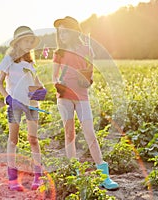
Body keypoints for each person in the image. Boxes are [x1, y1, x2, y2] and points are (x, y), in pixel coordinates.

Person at [52, 16, 119, 190]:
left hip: (82, 96)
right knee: (69, 134)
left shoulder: (86, 49)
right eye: (60, 33)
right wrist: (57, 84)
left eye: (65, 31)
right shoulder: (58, 53)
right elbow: (54, 76)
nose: (63, 35)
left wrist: (88, 81)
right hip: (64, 96)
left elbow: (89, 74)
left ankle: (104, 175)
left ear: (74, 31)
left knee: (90, 133)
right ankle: (75, 172)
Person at [0, 26, 47, 191]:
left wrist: (41, 91)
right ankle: (12, 179)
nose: (29, 43)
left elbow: (37, 84)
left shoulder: (31, 63)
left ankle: (38, 177)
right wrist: (8, 98)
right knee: (13, 140)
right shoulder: (8, 60)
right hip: (15, 106)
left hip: (32, 106)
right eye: (26, 40)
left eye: (31, 41)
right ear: (18, 42)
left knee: (33, 139)